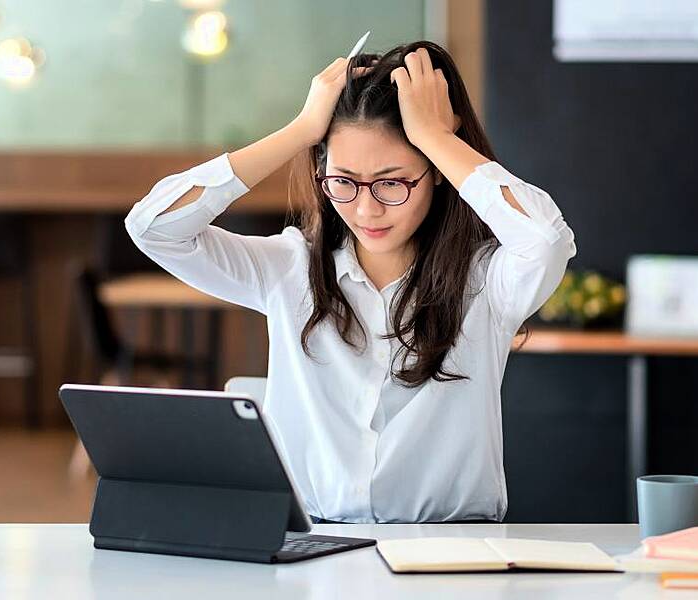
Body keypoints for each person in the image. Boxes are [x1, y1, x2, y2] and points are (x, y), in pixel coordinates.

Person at [126, 41, 576, 523]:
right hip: (311, 547)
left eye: (392, 182)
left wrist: (437, 138)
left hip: (450, 552)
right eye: (343, 181)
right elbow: (154, 228)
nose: (366, 209)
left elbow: (546, 241)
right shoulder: (288, 268)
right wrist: (300, 130)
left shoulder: (488, 281)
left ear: (437, 172)